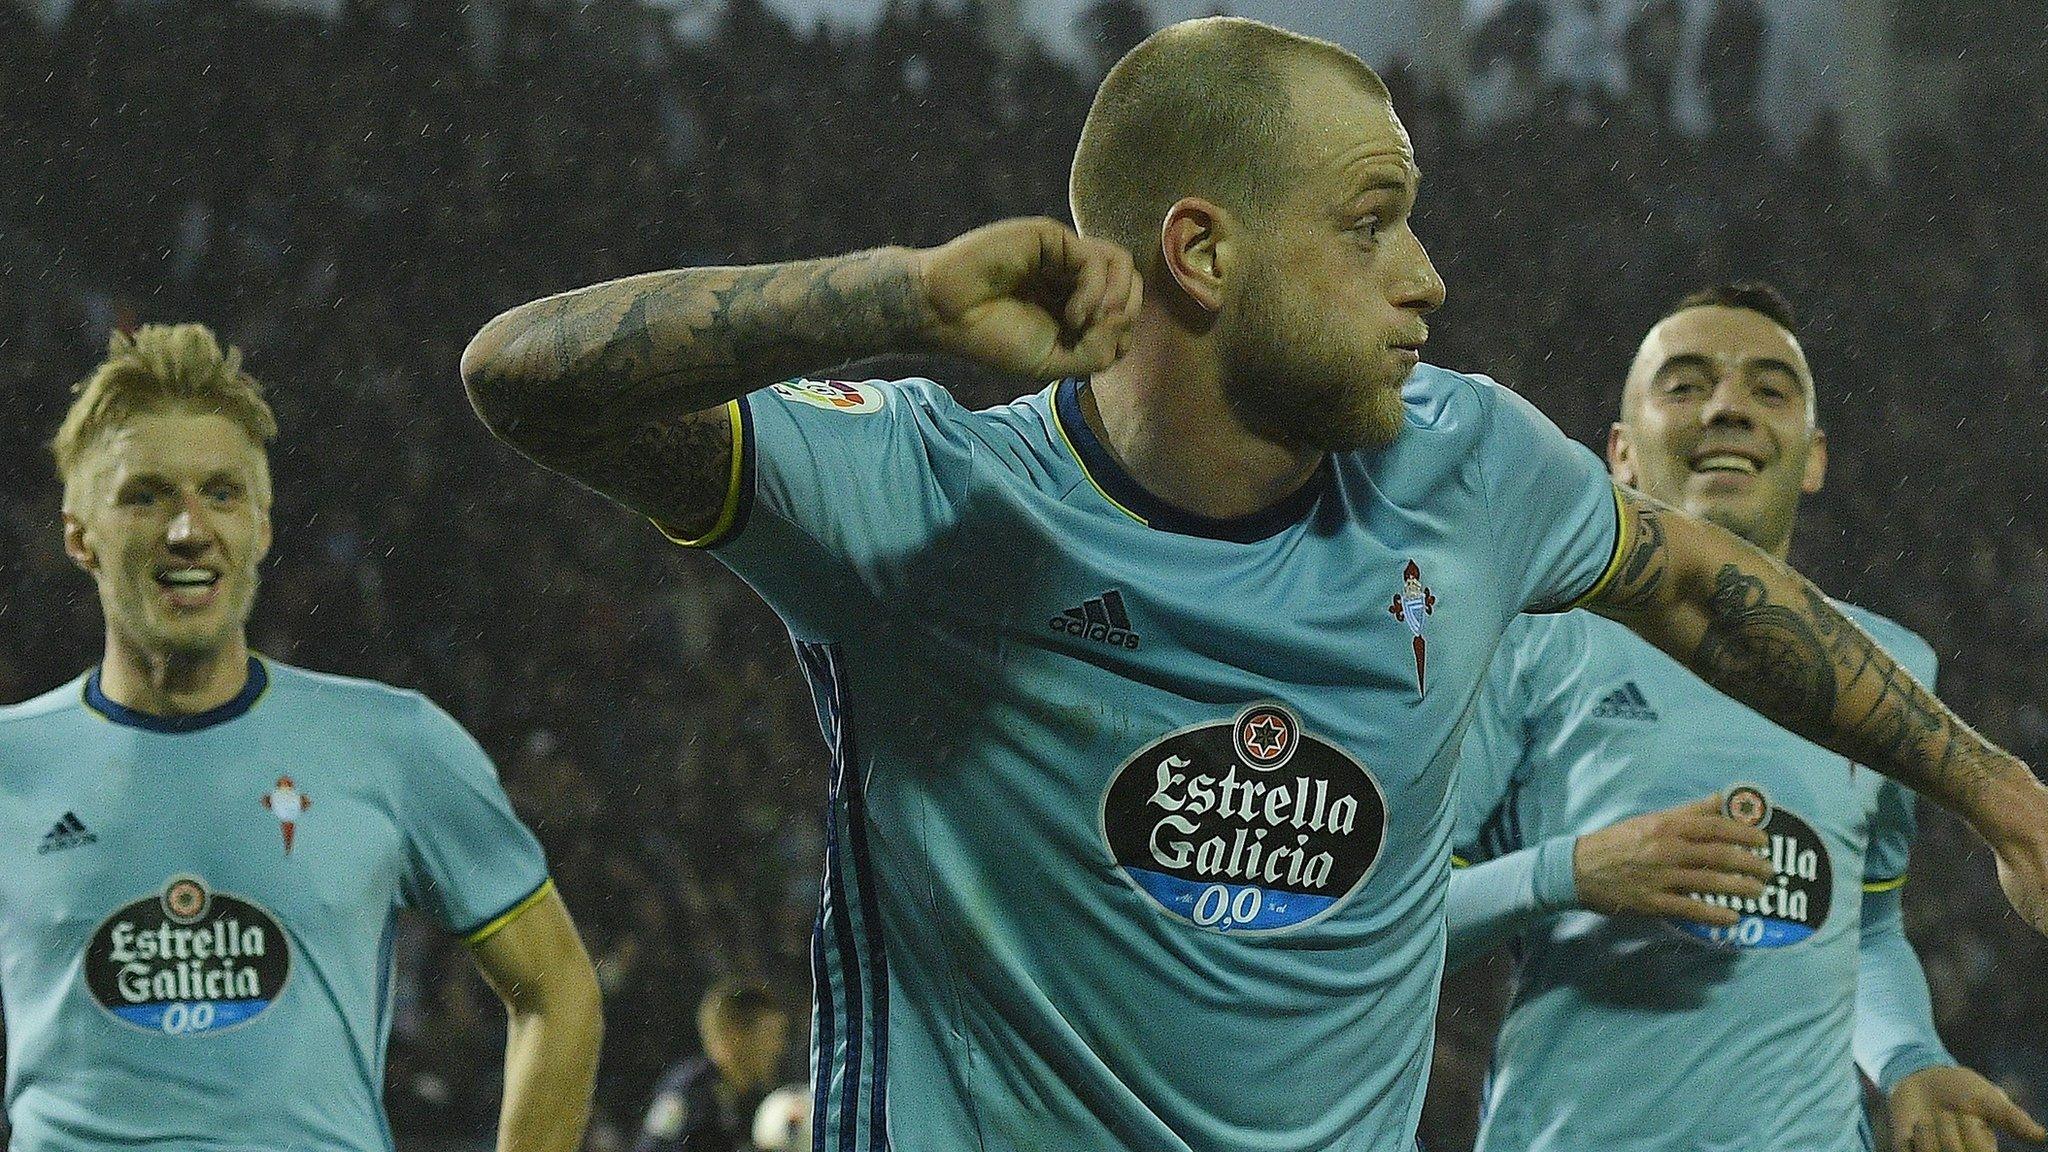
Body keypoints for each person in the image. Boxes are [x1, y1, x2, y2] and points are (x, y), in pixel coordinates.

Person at [459, 17, 2048, 1151]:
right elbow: (523, 377)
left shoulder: (1470, 464)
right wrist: (895, 296)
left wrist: (1993, 790)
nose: (1427, 277)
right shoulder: (930, 497)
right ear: (1203, 255)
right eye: (1372, 226)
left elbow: (1705, 598)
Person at [1445, 283, 2048, 1152]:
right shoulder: (1528, 640)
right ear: (1618, 453)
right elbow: (1389, 916)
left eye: (1770, 389)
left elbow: (1865, 924)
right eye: (1686, 386)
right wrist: (1568, 871)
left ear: (1813, 457)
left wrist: (1911, 1057)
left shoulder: (1893, 673)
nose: (1729, 407)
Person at [0, 324, 603, 1152]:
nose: (188, 530)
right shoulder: (10, 765)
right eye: (145, 496)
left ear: (263, 526)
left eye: (221, 493)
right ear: (78, 536)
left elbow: (557, 989)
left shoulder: (396, 744)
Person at [636, 978, 791, 1152]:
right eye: (771, 1034)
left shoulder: (746, 1099)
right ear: (735, 1034)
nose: (779, 1047)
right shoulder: (690, 1095)